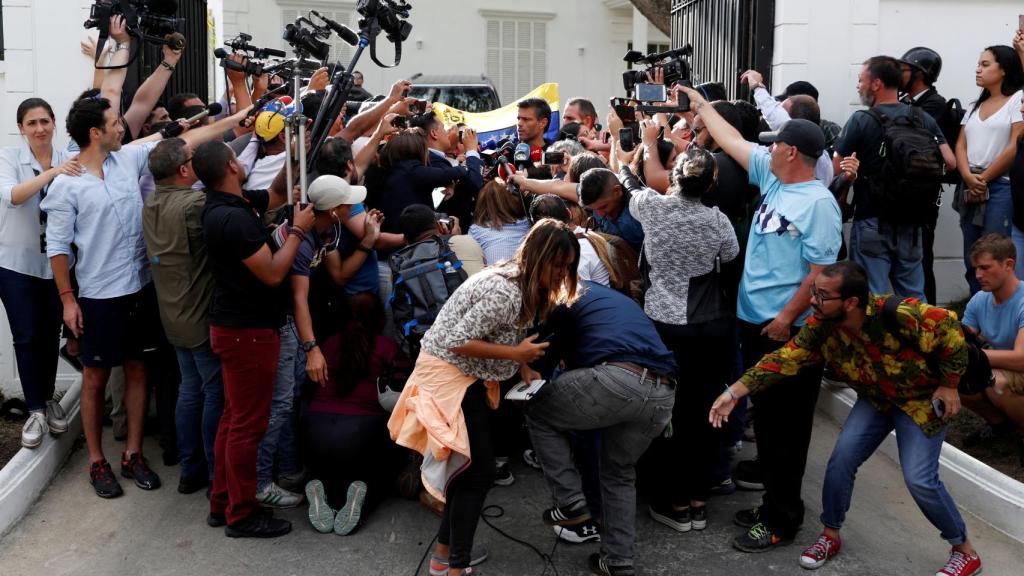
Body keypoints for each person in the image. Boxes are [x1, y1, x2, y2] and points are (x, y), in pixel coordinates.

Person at [710, 261, 982, 576]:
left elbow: (950, 329)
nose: (813, 300)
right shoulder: (822, 325)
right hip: (876, 400)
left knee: (919, 479)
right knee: (841, 461)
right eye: (814, 292)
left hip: (919, 402)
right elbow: (785, 358)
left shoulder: (898, 313)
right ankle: (830, 535)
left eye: (822, 295)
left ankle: (964, 550)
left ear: (851, 302)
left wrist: (949, 385)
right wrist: (734, 392)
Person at [676, 84, 842, 552]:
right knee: (767, 423)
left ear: (791, 152)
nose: (767, 150)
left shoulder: (818, 203)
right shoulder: (775, 178)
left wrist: (787, 317)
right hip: (757, 324)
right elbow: (731, 139)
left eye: (775, 145)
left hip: (787, 331)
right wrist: (701, 105)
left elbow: (821, 274)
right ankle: (773, 503)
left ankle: (782, 519)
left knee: (786, 428)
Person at [388, 219, 580, 576]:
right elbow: (458, 341)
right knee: (476, 472)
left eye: (567, 267)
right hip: (447, 374)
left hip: (464, 373)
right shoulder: (505, 291)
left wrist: (522, 365)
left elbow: (500, 334)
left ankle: (445, 557)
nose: (562, 274)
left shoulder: (521, 283)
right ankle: (454, 566)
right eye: (557, 265)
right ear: (538, 257)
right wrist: (517, 355)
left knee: (471, 471)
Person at [196, 140, 315, 538]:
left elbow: (278, 193)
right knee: (248, 426)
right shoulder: (232, 218)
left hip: (237, 329)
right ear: (232, 166)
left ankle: (222, 501)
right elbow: (274, 273)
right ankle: (241, 514)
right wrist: (299, 231)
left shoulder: (231, 203)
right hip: (247, 334)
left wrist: (295, 153)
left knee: (234, 420)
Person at [526, 280, 677, 576]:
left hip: (618, 378)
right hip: (663, 391)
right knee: (619, 472)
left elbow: (548, 359)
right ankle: (617, 561)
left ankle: (570, 502)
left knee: (538, 411)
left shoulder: (564, 298)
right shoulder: (608, 299)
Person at [628, 147, 739, 535]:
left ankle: (673, 502)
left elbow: (629, 184)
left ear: (674, 177)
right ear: (710, 184)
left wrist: (642, 147)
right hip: (710, 327)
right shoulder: (719, 221)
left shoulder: (652, 207)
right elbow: (731, 259)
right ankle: (698, 500)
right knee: (707, 411)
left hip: (664, 327)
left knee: (667, 412)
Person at [834, 55, 955, 299]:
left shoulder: (861, 119)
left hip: (872, 218)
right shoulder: (922, 118)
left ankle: (877, 326)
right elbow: (950, 162)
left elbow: (838, 167)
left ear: (876, 83)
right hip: (913, 221)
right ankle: (916, 325)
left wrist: (844, 196)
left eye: (861, 80)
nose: (858, 85)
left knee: (872, 298)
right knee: (913, 297)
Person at [142, 138, 223, 494]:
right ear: (184, 168)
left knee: (190, 390)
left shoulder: (151, 202)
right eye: (192, 157)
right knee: (212, 392)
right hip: (200, 315)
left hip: (173, 315)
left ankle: (191, 469)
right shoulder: (194, 204)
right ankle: (213, 470)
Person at [0, 98, 78, 449]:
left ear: (54, 122)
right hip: (16, 264)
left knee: (49, 334)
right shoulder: (9, 158)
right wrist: (53, 173)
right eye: (32, 123)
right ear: (21, 128)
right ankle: (34, 410)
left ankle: (46, 399)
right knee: (27, 334)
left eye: (45, 121)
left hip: (57, 264)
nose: (40, 128)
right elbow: (14, 196)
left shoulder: (67, 158)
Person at [955, 45, 1024, 293]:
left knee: (996, 254)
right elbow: (960, 145)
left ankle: (1006, 306)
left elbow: (1015, 144)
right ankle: (977, 306)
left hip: (999, 185)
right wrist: (967, 176)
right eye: (978, 64)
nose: (978, 69)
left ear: (1004, 69)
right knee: (972, 254)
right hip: (970, 183)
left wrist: (983, 178)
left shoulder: (1017, 100)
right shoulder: (975, 105)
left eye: (985, 64)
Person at [960, 234, 1024, 449]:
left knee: (994, 381)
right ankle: (1001, 427)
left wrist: (973, 355)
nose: (978, 275)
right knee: (954, 372)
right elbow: (959, 341)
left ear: (1008, 265)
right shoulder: (980, 300)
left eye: (985, 268)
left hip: (1017, 370)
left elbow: (1021, 359)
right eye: (976, 268)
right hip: (1008, 370)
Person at [900, 46, 952, 306]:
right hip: (905, 191)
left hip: (924, 194)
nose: (899, 74)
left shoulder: (934, 104)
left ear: (919, 73)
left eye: (904, 69)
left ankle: (929, 315)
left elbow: (908, 134)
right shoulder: (906, 102)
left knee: (921, 257)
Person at [740, 70, 834, 184]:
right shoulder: (823, 159)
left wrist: (757, 86)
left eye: (781, 110)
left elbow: (775, 116)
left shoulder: (818, 159)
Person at [411, 112, 483, 228]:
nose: (448, 133)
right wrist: (471, 149)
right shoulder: (432, 161)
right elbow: (474, 183)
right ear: (434, 134)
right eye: (444, 128)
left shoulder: (432, 158)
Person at [528, 194, 613, 287]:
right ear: (569, 213)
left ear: (538, 229)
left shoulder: (573, 251)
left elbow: (579, 292)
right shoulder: (589, 234)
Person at [399, 204, 485, 277]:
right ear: (439, 226)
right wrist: (455, 237)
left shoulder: (400, 263)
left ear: (405, 240)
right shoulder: (466, 240)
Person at [578, 167, 645, 253]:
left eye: (604, 207)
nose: (600, 214)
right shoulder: (596, 201)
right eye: (594, 210)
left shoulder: (644, 208)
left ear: (617, 191)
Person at [468, 179, 531, 265]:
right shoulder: (527, 223)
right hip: (526, 271)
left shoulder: (475, 230)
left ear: (481, 203)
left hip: (495, 272)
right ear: (510, 200)